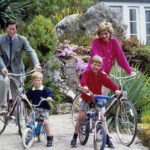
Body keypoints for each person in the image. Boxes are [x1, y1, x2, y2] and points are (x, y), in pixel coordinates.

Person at [71, 55, 121, 148]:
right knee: (81, 117)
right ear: (91, 64)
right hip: (87, 98)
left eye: (98, 66)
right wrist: (85, 86)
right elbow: (83, 80)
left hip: (97, 98)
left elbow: (108, 82)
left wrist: (116, 89)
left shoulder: (101, 75)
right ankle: (74, 137)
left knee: (102, 117)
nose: (96, 67)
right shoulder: (87, 73)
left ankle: (107, 140)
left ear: (100, 66)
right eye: (95, 65)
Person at [0, 19, 42, 114]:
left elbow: (31, 52)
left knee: (17, 93)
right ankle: (2, 106)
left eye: (14, 29)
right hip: (4, 69)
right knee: (4, 80)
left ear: (17, 29)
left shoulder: (22, 40)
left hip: (17, 70)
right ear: (6, 28)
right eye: (10, 29)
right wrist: (2, 67)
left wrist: (36, 64)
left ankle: (18, 118)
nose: (12, 31)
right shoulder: (0, 39)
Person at [25, 72, 54, 147]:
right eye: (35, 80)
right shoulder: (31, 90)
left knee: (46, 123)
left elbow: (50, 94)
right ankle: (28, 136)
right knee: (29, 122)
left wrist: (49, 97)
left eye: (38, 80)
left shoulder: (44, 89)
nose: (37, 82)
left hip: (44, 109)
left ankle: (49, 138)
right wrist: (24, 97)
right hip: (35, 109)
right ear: (32, 81)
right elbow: (27, 96)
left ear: (41, 81)